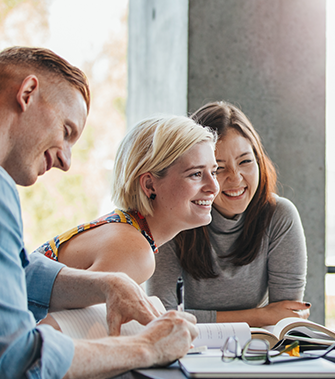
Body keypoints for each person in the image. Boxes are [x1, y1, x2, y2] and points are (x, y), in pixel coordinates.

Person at [0, 47, 199, 379]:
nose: (67, 161)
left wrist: (108, 284)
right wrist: (148, 347)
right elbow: (15, 362)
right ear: (27, 94)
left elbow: (16, 271)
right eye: (66, 132)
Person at [148, 101, 309, 327]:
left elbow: (286, 317)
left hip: (258, 350)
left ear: (259, 161)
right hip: (189, 349)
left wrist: (269, 317)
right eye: (219, 168)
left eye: (245, 161)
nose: (235, 178)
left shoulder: (279, 216)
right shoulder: (174, 216)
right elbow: (162, 316)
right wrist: (260, 315)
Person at [35, 115, 219, 285]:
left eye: (214, 172)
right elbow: (57, 321)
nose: (214, 187)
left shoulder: (126, 230)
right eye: (196, 174)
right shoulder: (134, 251)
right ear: (149, 185)